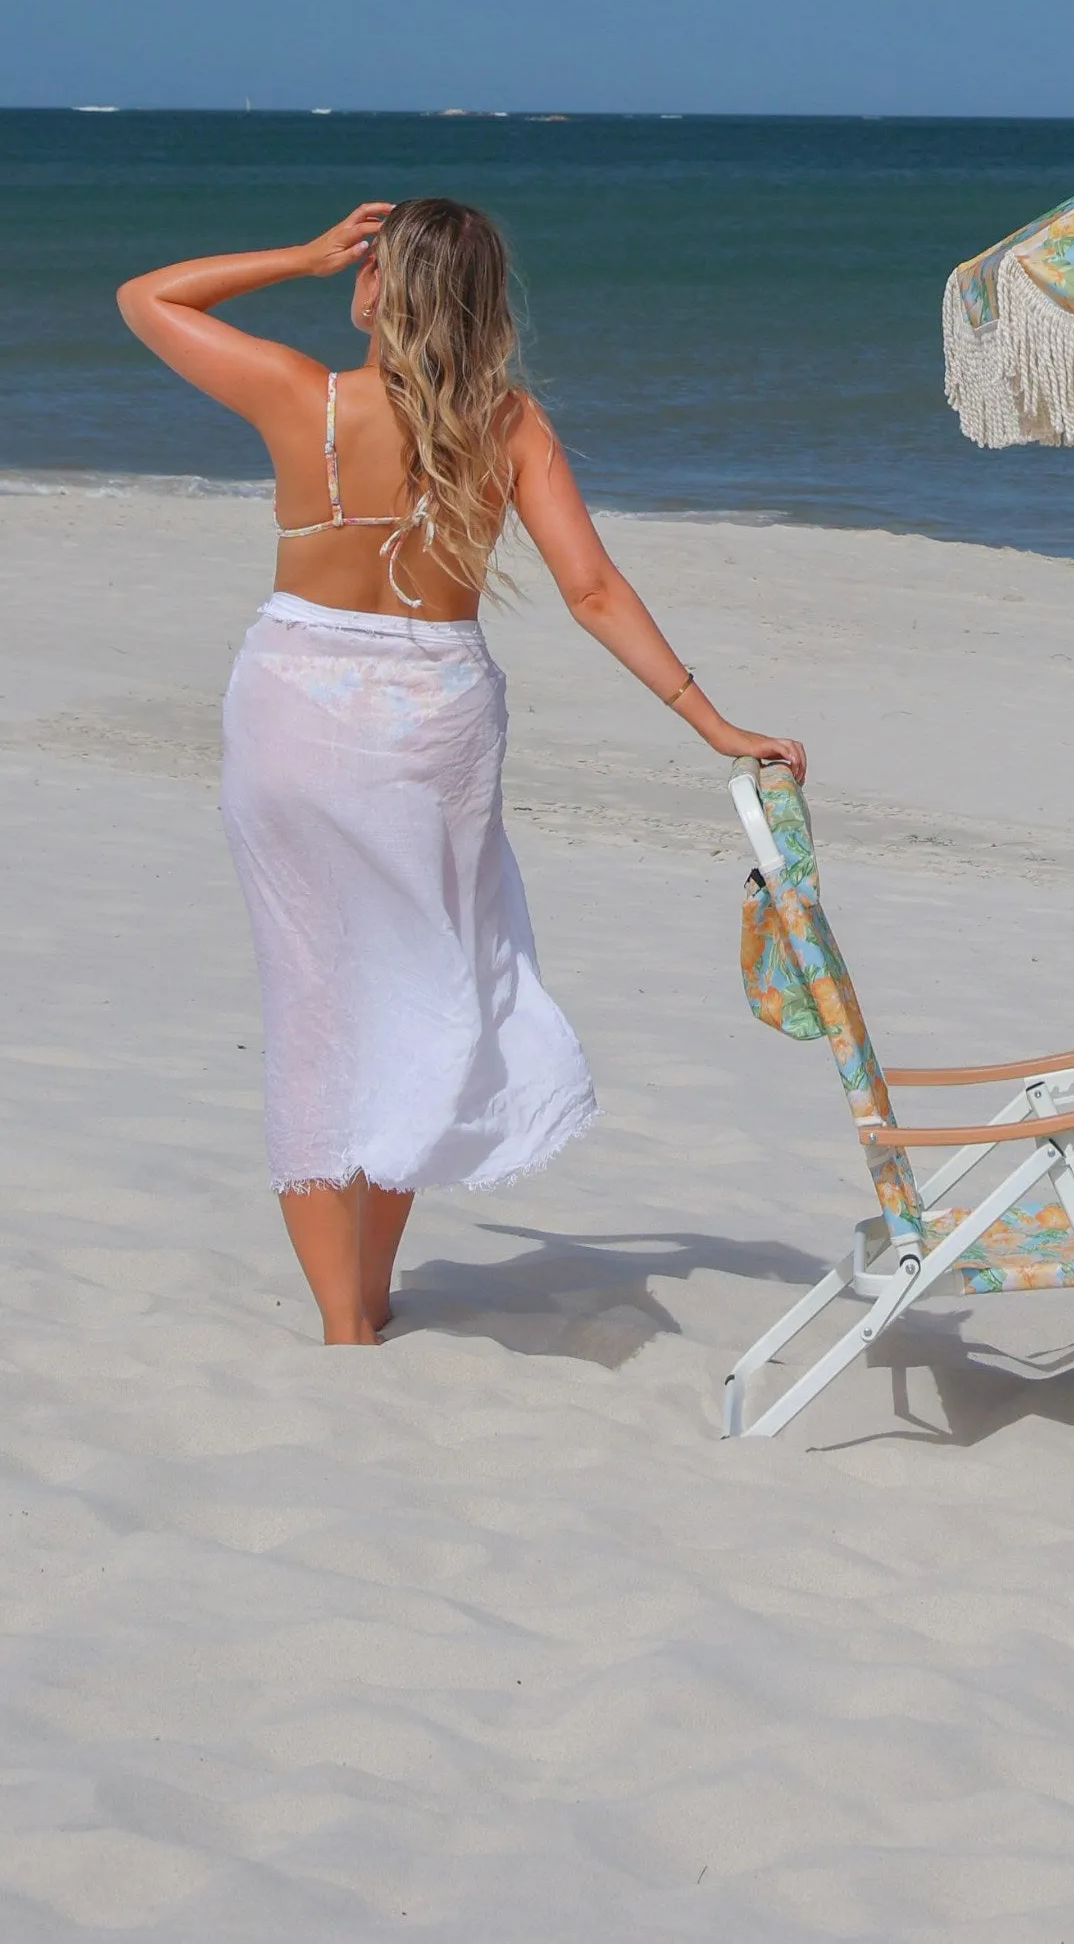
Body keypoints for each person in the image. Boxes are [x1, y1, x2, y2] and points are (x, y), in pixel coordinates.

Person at [118, 197, 805, 1346]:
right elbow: (591, 591)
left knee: (313, 1009)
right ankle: (364, 1306)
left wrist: (298, 254)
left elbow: (147, 298)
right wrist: (711, 722)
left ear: (379, 285)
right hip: (430, 719)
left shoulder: (303, 394)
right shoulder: (508, 423)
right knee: (424, 1001)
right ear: (481, 302)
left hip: (292, 704)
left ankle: (348, 1323)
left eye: (368, 264)